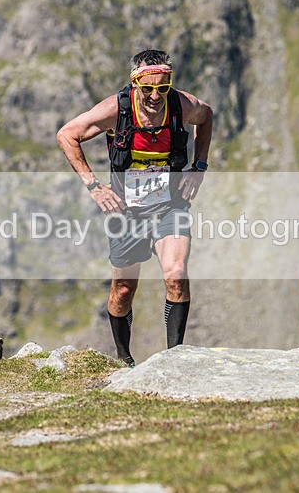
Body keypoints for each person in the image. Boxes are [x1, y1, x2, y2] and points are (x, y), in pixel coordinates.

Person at [57, 49, 213, 367]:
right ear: (135, 83)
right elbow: (67, 135)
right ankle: (124, 358)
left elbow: (206, 116)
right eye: (147, 88)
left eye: (162, 87)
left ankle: (174, 358)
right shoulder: (116, 110)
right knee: (124, 289)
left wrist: (198, 166)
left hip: (170, 205)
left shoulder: (181, 105)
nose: (155, 96)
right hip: (126, 212)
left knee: (176, 274)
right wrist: (93, 186)